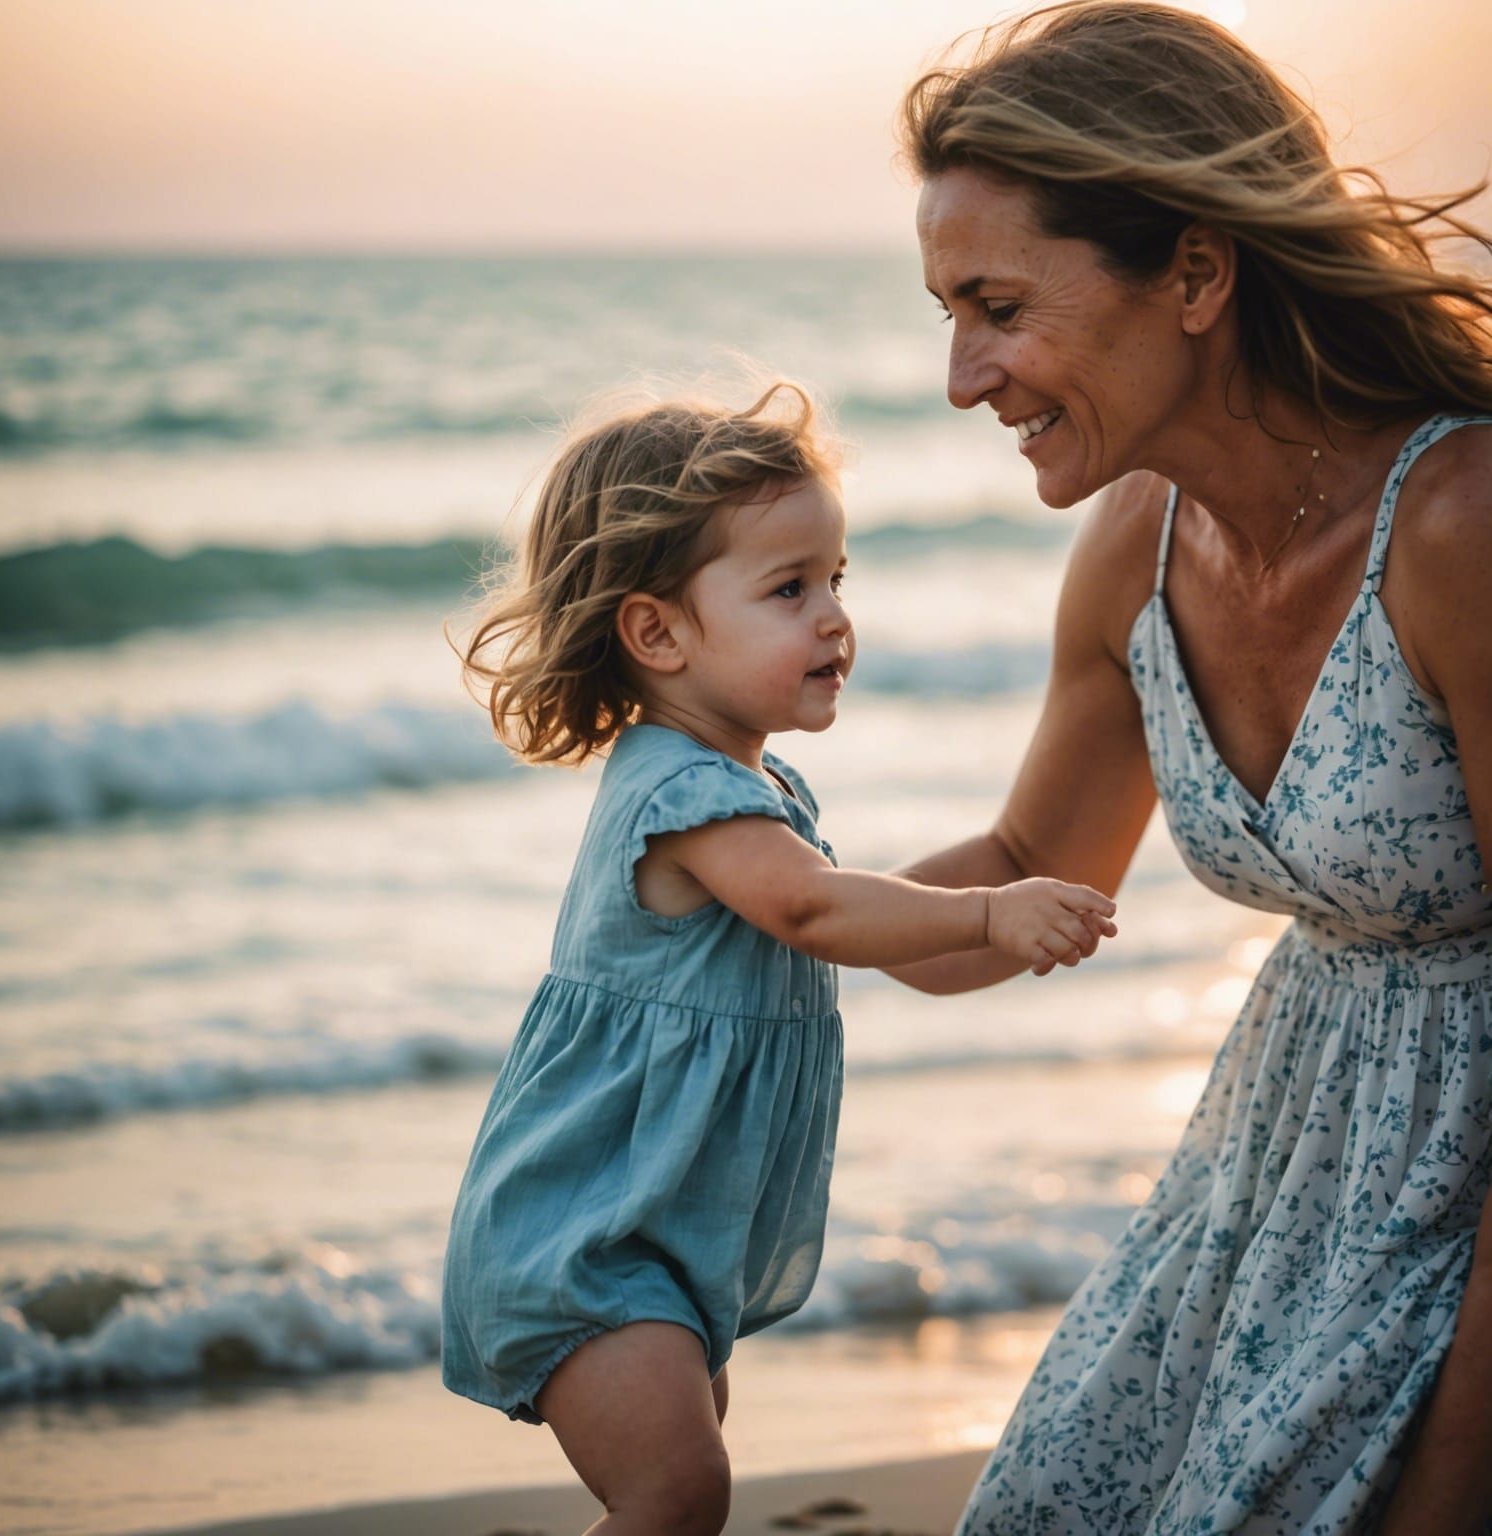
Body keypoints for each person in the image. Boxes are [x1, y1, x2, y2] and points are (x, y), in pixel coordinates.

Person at [888, 3, 1492, 1530]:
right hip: (1271, 1191)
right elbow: (1032, 869)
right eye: (948, 314)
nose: (966, 376)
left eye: (997, 305)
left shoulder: (1462, 529)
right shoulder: (1132, 554)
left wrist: (1454, 1469)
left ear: (1198, 272)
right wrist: (740, 896)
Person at [437, 380, 1118, 1536]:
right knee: (681, 1488)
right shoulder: (688, 796)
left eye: (837, 580)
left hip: (658, 1233)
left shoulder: (758, 789)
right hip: (584, 1239)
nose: (833, 618)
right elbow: (814, 914)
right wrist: (993, 912)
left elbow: (869, 929)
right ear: (655, 632)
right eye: (789, 589)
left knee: (680, 1478)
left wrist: (985, 932)